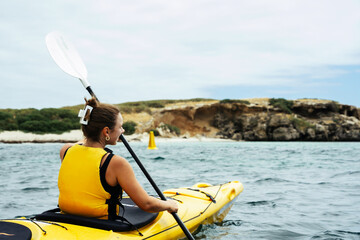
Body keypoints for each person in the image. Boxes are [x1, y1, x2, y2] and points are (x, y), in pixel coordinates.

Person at [57, 97, 178, 220]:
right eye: (120, 127)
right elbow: (146, 204)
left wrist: (112, 134)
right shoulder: (116, 163)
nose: (123, 130)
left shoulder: (66, 150)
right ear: (106, 131)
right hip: (101, 223)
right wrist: (169, 205)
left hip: (66, 217)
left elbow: (87, 143)